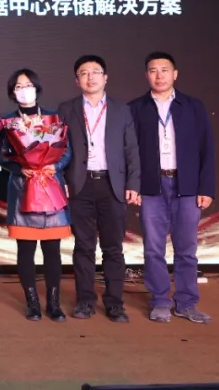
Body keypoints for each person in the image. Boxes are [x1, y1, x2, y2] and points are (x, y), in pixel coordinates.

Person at [129, 52, 215, 324]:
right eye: (153, 70)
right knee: (153, 249)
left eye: (164, 70)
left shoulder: (192, 106)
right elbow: (130, 152)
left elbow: (207, 148)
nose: (159, 75)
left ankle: (186, 303)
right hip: (151, 187)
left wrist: (206, 187)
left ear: (175, 74)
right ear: (146, 75)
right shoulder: (136, 108)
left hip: (187, 186)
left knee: (186, 249)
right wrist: (134, 186)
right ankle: (159, 301)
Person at [57, 54, 141, 323]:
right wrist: (62, 181)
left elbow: (131, 150)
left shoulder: (121, 110)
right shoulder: (66, 109)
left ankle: (115, 303)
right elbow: (58, 149)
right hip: (79, 185)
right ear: (77, 81)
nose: (90, 77)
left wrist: (133, 183)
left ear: (105, 78)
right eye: (84, 73)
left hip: (112, 185)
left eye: (95, 72)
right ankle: (85, 301)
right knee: (83, 246)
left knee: (113, 248)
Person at [0, 69, 70, 322]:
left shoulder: (53, 118)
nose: (24, 90)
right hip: (22, 189)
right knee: (25, 250)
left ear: (37, 88)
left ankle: (54, 303)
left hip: (50, 188)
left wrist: (55, 166)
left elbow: (67, 152)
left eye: (28, 85)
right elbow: (0, 155)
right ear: (12, 92)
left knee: (52, 250)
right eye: (18, 87)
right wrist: (20, 168)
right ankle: (32, 303)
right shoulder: (7, 122)